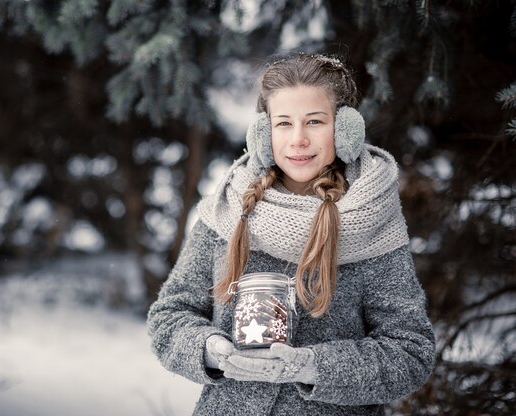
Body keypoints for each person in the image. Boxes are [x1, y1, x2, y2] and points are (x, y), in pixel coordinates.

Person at [147, 52, 435, 415]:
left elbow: (410, 351)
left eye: (314, 121)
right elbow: (170, 315)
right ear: (263, 133)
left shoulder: (373, 219)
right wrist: (209, 349)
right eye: (284, 123)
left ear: (345, 129)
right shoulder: (227, 206)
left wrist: (314, 366)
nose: (298, 139)